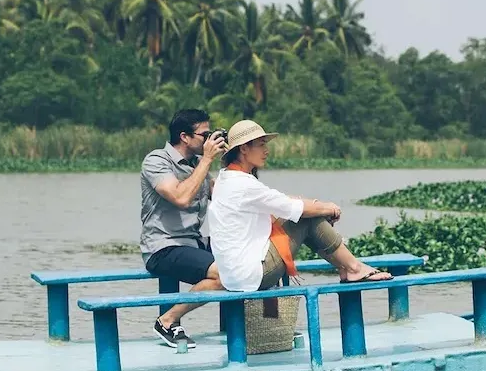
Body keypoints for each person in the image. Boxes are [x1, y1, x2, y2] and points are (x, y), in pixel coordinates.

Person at [207, 120, 393, 296]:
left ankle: (346, 268)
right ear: (244, 149)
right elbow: (293, 208)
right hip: (252, 275)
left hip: (234, 276)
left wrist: (317, 206)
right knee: (306, 220)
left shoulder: (227, 178)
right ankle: (353, 267)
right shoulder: (243, 184)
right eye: (261, 144)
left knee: (306, 214)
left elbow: (279, 200)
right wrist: (326, 208)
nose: (267, 150)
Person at [140, 108, 228, 349]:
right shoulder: (156, 161)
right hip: (163, 247)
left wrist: (239, 160)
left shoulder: (198, 164)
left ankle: (267, 323)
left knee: (255, 259)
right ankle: (167, 320)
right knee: (225, 273)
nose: (210, 140)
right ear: (184, 136)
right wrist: (208, 160)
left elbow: (227, 200)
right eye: (205, 134)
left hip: (193, 243)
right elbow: (180, 197)